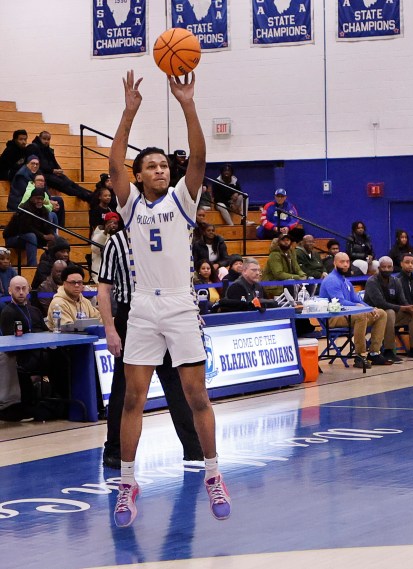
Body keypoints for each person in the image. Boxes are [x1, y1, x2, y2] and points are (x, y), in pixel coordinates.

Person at [109, 70, 230, 527]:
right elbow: (113, 164)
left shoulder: (183, 199)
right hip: (142, 306)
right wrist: (128, 114)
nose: (160, 169)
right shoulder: (131, 204)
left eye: (164, 165)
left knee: (196, 395)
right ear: (139, 176)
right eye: (152, 166)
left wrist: (187, 103)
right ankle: (127, 483)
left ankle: (214, 474)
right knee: (133, 399)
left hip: (180, 304)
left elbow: (199, 155)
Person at [98, 227, 203, 470]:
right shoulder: (116, 242)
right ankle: (114, 450)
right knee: (124, 389)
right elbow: (104, 289)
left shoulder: (166, 236)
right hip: (131, 315)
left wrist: (191, 311)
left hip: (166, 310)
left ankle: (193, 448)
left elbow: (182, 279)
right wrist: (110, 328)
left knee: (177, 384)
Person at [319, 252, 391, 368]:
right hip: (332, 318)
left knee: (381, 313)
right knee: (360, 315)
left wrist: (370, 308)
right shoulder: (332, 280)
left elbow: (356, 299)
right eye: (342, 262)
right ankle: (360, 355)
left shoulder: (346, 281)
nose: (346, 265)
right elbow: (340, 302)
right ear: (335, 263)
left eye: (347, 262)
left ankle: (374, 353)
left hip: (348, 315)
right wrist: (359, 307)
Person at [0, 276, 49, 408]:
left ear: (29, 290)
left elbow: (48, 333)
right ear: (10, 291)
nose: (21, 292)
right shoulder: (8, 312)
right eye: (17, 289)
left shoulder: (35, 310)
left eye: (23, 288)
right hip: (24, 357)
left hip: (42, 352)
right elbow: (11, 343)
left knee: (64, 357)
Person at [363, 256, 413, 363]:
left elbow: (402, 300)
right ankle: (389, 350)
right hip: (374, 315)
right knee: (389, 313)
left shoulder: (396, 281)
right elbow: (380, 304)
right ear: (379, 268)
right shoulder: (372, 281)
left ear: (392, 268)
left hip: (392, 315)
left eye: (389, 267)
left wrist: (410, 308)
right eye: (384, 267)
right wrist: (403, 307)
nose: (386, 269)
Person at [26, 131, 92, 202]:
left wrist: (59, 170)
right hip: (42, 174)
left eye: (48, 139)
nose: (46, 141)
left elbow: (54, 162)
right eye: (44, 139)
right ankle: (86, 197)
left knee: (70, 182)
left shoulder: (49, 150)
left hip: (51, 173)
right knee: (63, 184)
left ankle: (91, 194)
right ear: (39, 138)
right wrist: (53, 171)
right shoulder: (34, 147)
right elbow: (38, 166)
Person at [3, 187, 56, 266]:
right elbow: (25, 229)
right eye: (38, 198)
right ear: (32, 198)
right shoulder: (24, 209)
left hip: (34, 238)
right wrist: (43, 236)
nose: (40, 201)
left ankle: (55, 264)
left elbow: (47, 225)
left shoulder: (43, 210)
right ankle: (32, 266)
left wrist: (51, 234)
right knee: (31, 236)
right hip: (14, 237)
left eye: (42, 199)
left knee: (57, 238)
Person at [262, 233, 307, 298]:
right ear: (279, 242)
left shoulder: (291, 252)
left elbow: (297, 268)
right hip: (273, 284)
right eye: (283, 240)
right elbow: (278, 274)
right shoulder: (275, 254)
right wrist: (297, 277)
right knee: (291, 282)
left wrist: (303, 275)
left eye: (288, 240)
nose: (286, 242)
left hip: (285, 283)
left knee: (308, 281)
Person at [91, 212, 121, 283]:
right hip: (99, 272)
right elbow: (95, 249)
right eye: (110, 223)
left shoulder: (119, 236)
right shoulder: (98, 235)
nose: (113, 225)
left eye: (115, 223)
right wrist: (105, 233)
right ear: (105, 224)